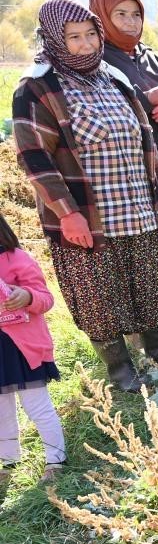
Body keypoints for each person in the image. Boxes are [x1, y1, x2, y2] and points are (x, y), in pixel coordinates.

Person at [13, 0, 158, 394]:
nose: (86, 45)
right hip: (89, 217)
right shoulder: (38, 89)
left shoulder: (114, 79)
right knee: (98, 299)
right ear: (54, 39)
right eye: (73, 38)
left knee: (154, 288)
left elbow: (147, 144)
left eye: (90, 35)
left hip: (138, 209)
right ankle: (122, 372)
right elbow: (36, 160)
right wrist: (67, 213)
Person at [89, 0, 158, 317]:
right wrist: (148, 100)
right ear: (101, 17)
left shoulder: (152, 59)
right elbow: (108, 113)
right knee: (151, 259)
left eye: (136, 15)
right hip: (135, 179)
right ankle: (153, 336)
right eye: (121, 14)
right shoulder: (98, 63)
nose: (131, 22)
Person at [0, 212, 65, 501]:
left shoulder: (16, 258)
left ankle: (55, 459)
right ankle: (8, 459)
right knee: (1, 409)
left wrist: (27, 296)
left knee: (37, 405)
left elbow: (45, 297)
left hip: (23, 348)